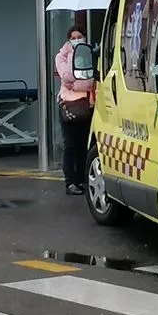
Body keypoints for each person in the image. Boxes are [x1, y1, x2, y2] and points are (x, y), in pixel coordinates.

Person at [55, 26, 95, 196]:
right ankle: (70, 181)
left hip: (88, 105)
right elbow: (67, 77)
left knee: (84, 145)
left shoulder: (90, 53)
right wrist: (74, 56)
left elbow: (90, 81)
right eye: (73, 37)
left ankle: (81, 179)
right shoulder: (62, 56)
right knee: (71, 145)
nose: (77, 40)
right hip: (69, 105)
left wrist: (79, 83)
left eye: (79, 36)